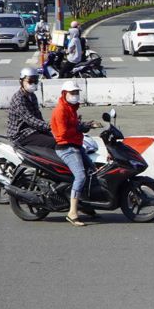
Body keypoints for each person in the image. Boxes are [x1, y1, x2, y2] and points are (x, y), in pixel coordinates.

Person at [51, 81, 101, 227]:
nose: (75, 95)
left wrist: (86, 125)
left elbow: (74, 127)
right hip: (66, 147)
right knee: (81, 176)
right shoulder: (61, 110)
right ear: (64, 94)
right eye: (72, 93)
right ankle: (72, 212)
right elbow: (63, 132)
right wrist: (81, 127)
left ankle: (85, 205)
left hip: (76, 145)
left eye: (76, 93)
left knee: (93, 171)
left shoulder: (71, 108)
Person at [6, 68, 54, 149]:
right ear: (21, 81)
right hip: (21, 134)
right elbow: (30, 119)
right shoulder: (19, 99)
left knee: (60, 140)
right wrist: (50, 126)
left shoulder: (32, 96)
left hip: (32, 130)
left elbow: (38, 116)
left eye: (35, 81)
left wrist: (51, 127)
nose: (33, 84)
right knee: (53, 143)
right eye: (30, 81)